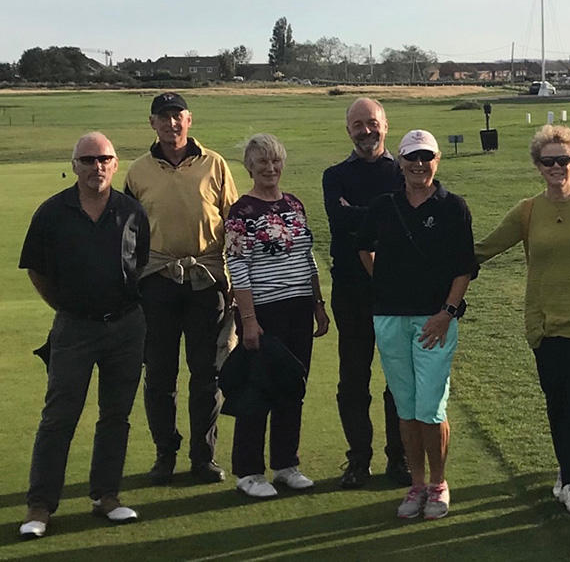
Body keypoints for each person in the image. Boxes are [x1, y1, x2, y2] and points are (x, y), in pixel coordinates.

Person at [475, 125, 570, 515]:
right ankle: (566, 470)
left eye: (564, 160)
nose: (557, 167)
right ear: (538, 166)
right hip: (544, 324)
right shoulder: (528, 211)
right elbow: (483, 249)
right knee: (557, 404)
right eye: (548, 161)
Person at [18, 133, 149, 539]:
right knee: (59, 417)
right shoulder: (52, 212)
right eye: (88, 159)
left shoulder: (131, 211)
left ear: (115, 163)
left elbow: (139, 261)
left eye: (104, 159)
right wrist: (66, 307)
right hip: (74, 326)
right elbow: (37, 269)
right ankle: (40, 506)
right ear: (74, 165)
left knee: (116, 415)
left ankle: (106, 496)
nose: (97, 167)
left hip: (126, 325)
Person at [358, 130, 476, 520]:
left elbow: (464, 269)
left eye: (426, 157)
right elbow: (363, 246)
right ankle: (417, 484)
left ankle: (439, 484)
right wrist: (385, 284)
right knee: (405, 406)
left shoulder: (453, 207)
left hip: (434, 320)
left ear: (437, 160)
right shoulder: (383, 205)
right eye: (411, 157)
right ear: (401, 162)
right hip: (390, 317)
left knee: (430, 406)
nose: (418, 164)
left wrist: (446, 312)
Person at [125, 92, 238, 485]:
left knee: (207, 373)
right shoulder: (138, 171)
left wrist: (237, 284)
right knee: (159, 374)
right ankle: (165, 455)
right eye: (163, 118)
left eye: (178, 117)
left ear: (189, 120)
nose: (171, 124)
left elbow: (234, 223)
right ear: (152, 123)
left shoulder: (215, 164)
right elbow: (128, 234)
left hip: (206, 283)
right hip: (156, 282)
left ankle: (203, 457)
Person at [224, 134, 330, 498]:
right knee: (257, 390)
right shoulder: (242, 211)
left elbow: (307, 255)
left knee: (293, 386)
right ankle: (249, 471)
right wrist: (249, 319)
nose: (270, 168)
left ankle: (286, 464)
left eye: (275, 161)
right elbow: (237, 266)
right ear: (249, 167)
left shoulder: (294, 204)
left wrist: (318, 304)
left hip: (299, 306)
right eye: (262, 162)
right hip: (262, 311)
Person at [322, 97, 408, 489]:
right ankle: (358, 459)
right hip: (351, 292)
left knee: (397, 379)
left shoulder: (404, 171)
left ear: (385, 126)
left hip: (396, 293)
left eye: (371, 123)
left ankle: (399, 458)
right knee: (353, 379)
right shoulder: (334, 175)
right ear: (348, 130)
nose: (365, 131)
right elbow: (341, 225)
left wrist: (362, 213)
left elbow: (400, 223)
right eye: (357, 125)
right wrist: (383, 212)